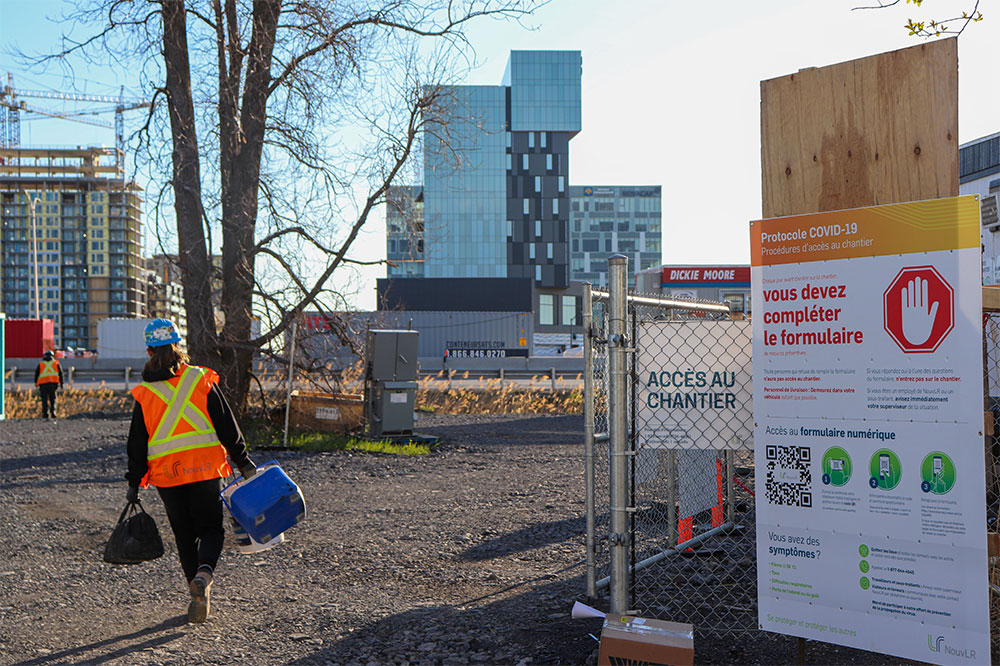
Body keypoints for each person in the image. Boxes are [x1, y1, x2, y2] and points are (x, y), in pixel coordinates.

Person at [124, 318, 256, 623]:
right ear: (177, 346)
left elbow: (137, 442)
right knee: (211, 529)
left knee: (184, 538)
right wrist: (242, 460)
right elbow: (225, 422)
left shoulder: (145, 393)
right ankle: (204, 576)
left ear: (148, 351)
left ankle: (196, 594)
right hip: (205, 469)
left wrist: (133, 481)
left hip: (168, 476)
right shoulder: (199, 378)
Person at [34, 350, 63, 419]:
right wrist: (61, 383)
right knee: (53, 398)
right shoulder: (56, 363)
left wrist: (36, 383)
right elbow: (61, 374)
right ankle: (53, 412)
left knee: (44, 399)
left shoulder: (41, 364)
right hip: (53, 384)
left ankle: (45, 414)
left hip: (43, 384)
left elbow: (36, 374)